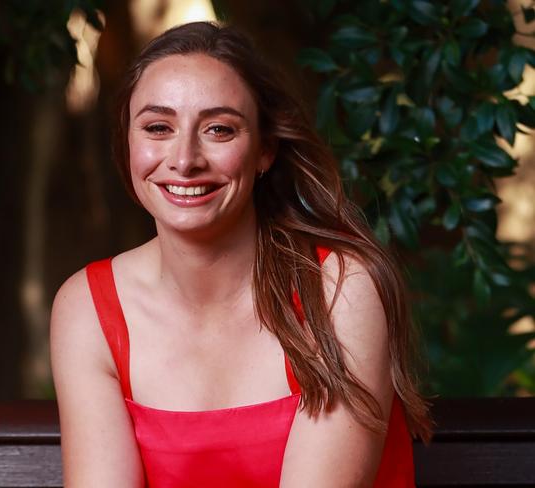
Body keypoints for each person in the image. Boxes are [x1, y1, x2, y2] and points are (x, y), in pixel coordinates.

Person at [50, 21, 432, 487]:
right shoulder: (87, 306)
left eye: (218, 129)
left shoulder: (339, 289)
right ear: (128, 143)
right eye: (157, 127)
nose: (184, 158)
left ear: (264, 150)